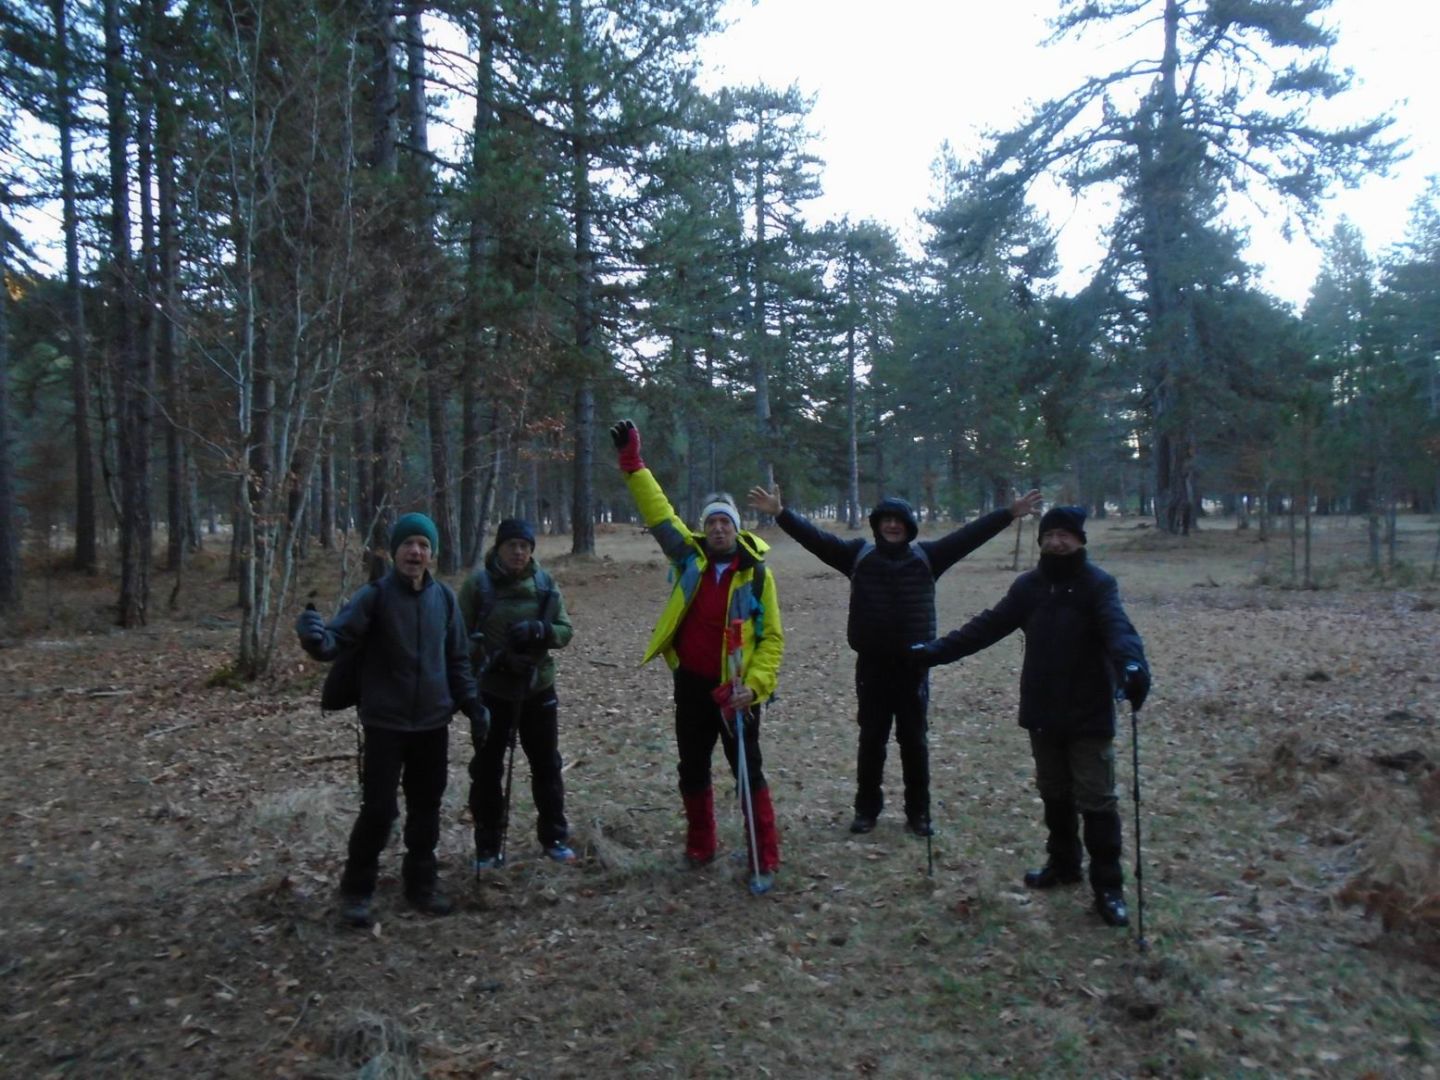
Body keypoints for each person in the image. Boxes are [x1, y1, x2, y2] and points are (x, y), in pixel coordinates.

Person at [746, 483, 1041, 838]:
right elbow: (816, 539)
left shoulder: (928, 557)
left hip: (914, 667)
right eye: (885, 520)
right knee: (872, 740)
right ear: (877, 524)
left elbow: (969, 536)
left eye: (898, 521)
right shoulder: (857, 555)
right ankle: (866, 810)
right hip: (871, 667)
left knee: (914, 741)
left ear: (909, 526)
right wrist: (781, 514)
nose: (892, 525)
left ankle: (919, 813)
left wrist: (1008, 513)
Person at [910, 505, 1150, 927]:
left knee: (1096, 798)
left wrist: (1132, 665)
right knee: (1054, 792)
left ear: (1080, 540)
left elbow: (1118, 629)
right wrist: (936, 652)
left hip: (1089, 711)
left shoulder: (1098, 585)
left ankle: (1108, 887)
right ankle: (1063, 864)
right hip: (1042, 708)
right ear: (1040, 541)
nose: (1057, 542)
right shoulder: (1029, 587)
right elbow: (987, 626)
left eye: (1065, 535)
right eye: (1049, 535)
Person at [610, 419, 786, 893]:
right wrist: (632, 463)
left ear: (737, 528)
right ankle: (701, 844)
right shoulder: (689, 558)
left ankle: (764, 856)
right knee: (692, 767)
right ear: (703, 529)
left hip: (736, 690)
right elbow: (659, 512)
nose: (718, 528)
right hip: (690, 684)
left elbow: (772, 639)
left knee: (747, 771)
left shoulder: (756, 574)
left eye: (725, 521)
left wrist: (756, 686)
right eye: (711, 522)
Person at [295, 512, 486, 928]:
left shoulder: (444, 599)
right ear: (395, 551)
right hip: (385, 724)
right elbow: (336, 640)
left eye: (423, 545)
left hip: (433, 724)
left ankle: (421, 886)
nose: (415, 552)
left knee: (426, 809)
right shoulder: (374, 596)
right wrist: (314, 638)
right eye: (408, 544)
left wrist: (472, 704)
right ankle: (356, 891)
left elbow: (458, 660)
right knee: (379, 810)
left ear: (432, 554)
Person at [459, 518, 577, 868]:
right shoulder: (478, 585)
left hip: (537, 688)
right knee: (486, 769)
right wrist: (494, 659)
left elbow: (565, 630)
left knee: (547, 765)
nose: (518, 552)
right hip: (492, 691)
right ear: (499, 548)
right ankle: (487, 847)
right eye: (512, 545)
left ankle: (554, 838)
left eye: (525, 546)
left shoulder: (544, 584)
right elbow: (457, 638)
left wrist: (541, 630)